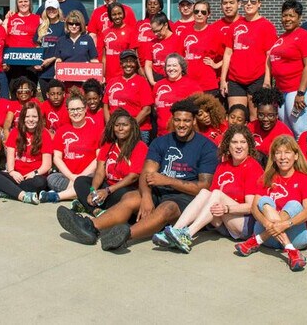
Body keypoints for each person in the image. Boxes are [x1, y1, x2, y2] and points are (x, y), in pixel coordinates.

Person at [56, 99, 217, 251]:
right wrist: (146, 197)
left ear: (194, 121)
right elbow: (146, 172)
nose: (181, 125)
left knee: (167, 208)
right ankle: (90, 227)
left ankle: (124, 235)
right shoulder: (161, 142)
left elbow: (203, 187)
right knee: (131, 198)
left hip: (184, 197)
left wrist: (168, 180)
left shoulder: (207, 147)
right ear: (172, 120)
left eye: (186, 121)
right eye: (177, 120)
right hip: (157, 190)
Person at [154, 124, 261, 254]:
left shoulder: (252, 166)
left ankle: (187, 234)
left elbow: (251, 207)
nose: (239, 146)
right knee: (205, 192)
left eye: (243, 142)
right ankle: (174, 231)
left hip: (244, 224)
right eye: (234, 142)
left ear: (249, 145)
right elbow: (210, 198)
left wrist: (226, 208)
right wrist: (221, 209)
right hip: (222, 222)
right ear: (228, 145)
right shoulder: (223, 166)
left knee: (216, 194)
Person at [234, 135, 307, 271]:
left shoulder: (304, 179)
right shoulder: (266, 178)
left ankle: (256, 241)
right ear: (273, 157)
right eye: (278, 153)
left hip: (294, 236)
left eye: (287, 152)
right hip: (269, 236)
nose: (282, 157)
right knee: (264, 201)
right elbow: (254, 209)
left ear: (296, 156)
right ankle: (291, 250)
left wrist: (285, 224)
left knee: (294, 205)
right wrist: (268, 224)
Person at [70, 110, 148, 216]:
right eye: (117, 125)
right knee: (80, 181)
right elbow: (99, 172)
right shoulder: (108, 145)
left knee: (124, 195)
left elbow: (133, 177)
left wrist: (107, 191)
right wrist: (93, 191)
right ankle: (96, 211)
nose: (120, 128)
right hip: (107, 186)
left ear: (132, 127)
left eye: (125, 125)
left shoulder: (140, 147)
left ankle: (89, 206)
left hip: (124, 188)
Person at [220, 0, 277, 112]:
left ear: (259, 3)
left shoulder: (266, 26)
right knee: (236, 116)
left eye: (253, 1)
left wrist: (267, 80)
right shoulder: (235, 25)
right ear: (242, 4)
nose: (249, 4)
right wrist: (223, 79)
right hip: (235, 79)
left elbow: (269, 56)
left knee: (255, 117)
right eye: (246, 1)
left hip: (257, 78)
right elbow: (228, 53)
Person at [265, 0, 307, 136]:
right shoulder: (281, 38)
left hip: (297, 89)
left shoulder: (305, 37)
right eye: (284, 15)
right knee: (285, 127)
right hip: (282, 90)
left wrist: (301, 94)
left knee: (299, 127)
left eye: (291, 16)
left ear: (299, 18)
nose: (287, 19)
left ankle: (306, 150)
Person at [0, 102, 54, 205]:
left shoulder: (45, 133)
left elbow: (47, 165)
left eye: (34, 116)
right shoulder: (15, 132)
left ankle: (8, 191)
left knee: (40, 183)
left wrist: (34, 173)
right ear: (22, 118)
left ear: (39, 118)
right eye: (27, 116)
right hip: (16, 176)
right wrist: (12, 172)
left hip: (34, 177)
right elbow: (10, 159)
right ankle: (23, 196)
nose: (31, 119)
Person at [41, 94, 101, 203]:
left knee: (95, 181)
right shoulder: (61, 131)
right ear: (68, 111)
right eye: (72, 109)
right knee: (51, 179)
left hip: (89, 175)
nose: (75, 112)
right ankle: (80, 195)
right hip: (67, 176)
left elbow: (99, 158)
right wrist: (72, 176)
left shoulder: (96, 129)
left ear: (85, 109)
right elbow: (57, 158)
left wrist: (81, 177)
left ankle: (57, 196)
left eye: (79, 109)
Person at [104, 49, 154, 142]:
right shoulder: (112, 81)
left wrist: (130, 127)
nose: (128, 64)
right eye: (125, 61)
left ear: (135, 63)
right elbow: (106, 106)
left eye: (131, 61)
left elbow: (147, 110)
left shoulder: (142, 82)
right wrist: (110, 126)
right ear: (121, 63)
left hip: (137, 129)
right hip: (116, 131)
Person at [181, 0, 223, 96]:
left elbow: (229, 53)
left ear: (208, 14)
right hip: (188, 83)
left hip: (207, 84)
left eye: (203, 12)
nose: (199, 14)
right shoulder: (185, 32)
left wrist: (216, 65)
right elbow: (179, 56)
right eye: (196, 11)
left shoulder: (215, 32)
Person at [153, 54, 202, 135]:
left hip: (183, 133)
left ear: (181, 67)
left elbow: (199, 109)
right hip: (162, 133)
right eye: (168, 66)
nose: (171, 68)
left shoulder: (192, 85)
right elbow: (155, 108)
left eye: (174, 65)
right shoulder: (158, 85)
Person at [3, 0, 42, 84]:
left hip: (31, 61)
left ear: (30, 3)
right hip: (12, 62)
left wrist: (40, 61)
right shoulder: (9, 19)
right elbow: (1, 40)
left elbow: (42, 42)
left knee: (30, 89)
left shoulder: (38, 19)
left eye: (25, 1)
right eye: (20, 2)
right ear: (17, 4)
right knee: (14, 89)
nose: (23, 4)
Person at [51, 10, 99, 82]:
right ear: (67, 24)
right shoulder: (61, 40)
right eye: (71, 23)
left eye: (77, 24)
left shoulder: (88, 39)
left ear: (81, 25)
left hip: (84, 80)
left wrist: (98, 76)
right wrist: (58, 73)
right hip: (66, 80)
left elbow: (94, 60)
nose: (74, 26)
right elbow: (58, 60)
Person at [249, 87, 294, 160]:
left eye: (270, 115)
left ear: (277, 115)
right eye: (261, 115)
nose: (265, 119)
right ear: (257, 113)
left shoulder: (284, 133)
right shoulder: (250, 127)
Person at [98, 2, 139, 81]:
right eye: (114, 14)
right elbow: (104, 57)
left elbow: (133, 57)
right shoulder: (105, 33)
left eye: (119, 13)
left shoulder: (131, 31)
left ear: (123, 14)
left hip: (125, 75)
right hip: (109, 76)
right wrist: (102, 75)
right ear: (110, 16)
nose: (117, 17)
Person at [142, 14, 183, 86]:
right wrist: (152, 82)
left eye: (158, 31)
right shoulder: (151, 43)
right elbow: (148, 64)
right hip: (156, 78)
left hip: (172, 77)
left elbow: (180, 64)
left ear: (166, 25)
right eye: (154, 31)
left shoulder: (177, 40)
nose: (156, 34)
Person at [34, 0, 65, 84]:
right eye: (48, 9)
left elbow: (65, 48)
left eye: (53, 9)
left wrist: (51, 59)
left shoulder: (64, 26)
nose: (51, 11)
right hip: (43, 71)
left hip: (57, 69)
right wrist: (37, 62)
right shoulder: (41, 26)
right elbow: (37, 46)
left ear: (58, 10)